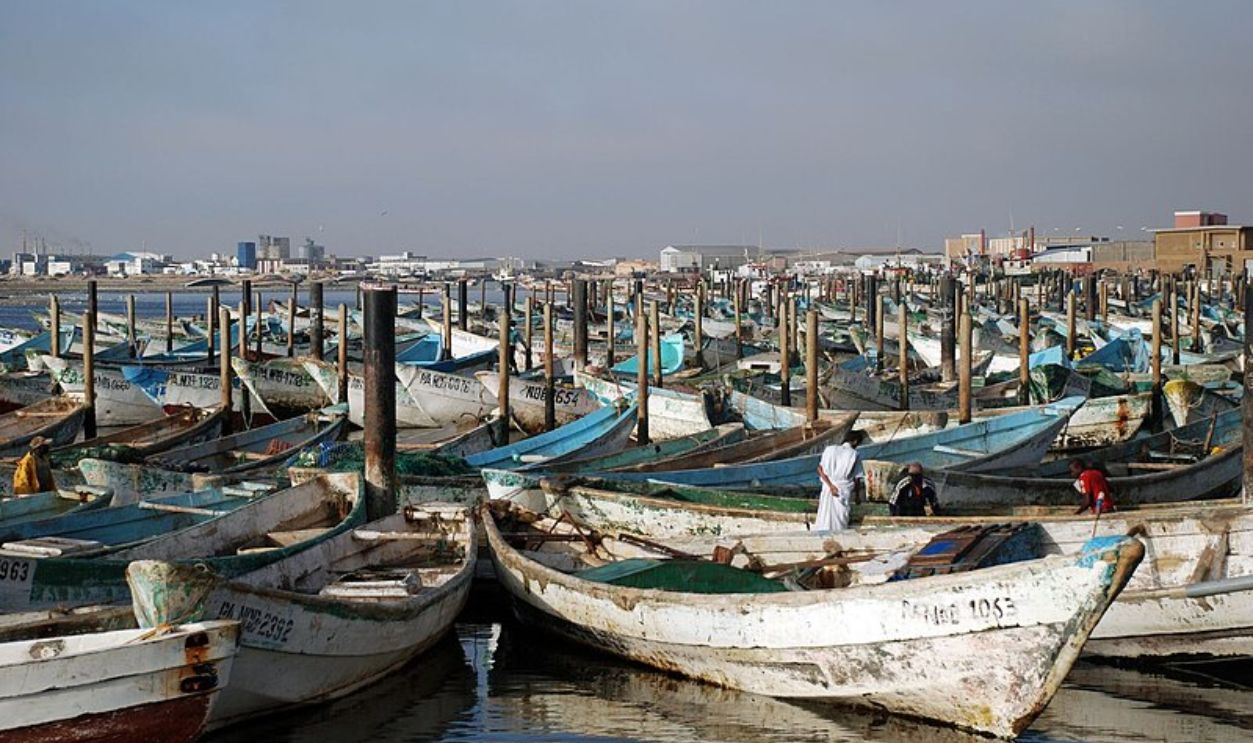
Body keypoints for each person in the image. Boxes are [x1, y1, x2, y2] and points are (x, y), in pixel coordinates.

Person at [816, 442, 862, 531]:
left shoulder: (829, 449)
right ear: (855, 442)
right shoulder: (853, 454)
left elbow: (819, 469)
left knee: (825, 514)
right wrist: (857, 496)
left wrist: (830, 486)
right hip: (842, 489)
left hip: (829, 487)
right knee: (840, 517)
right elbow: (857, 478)